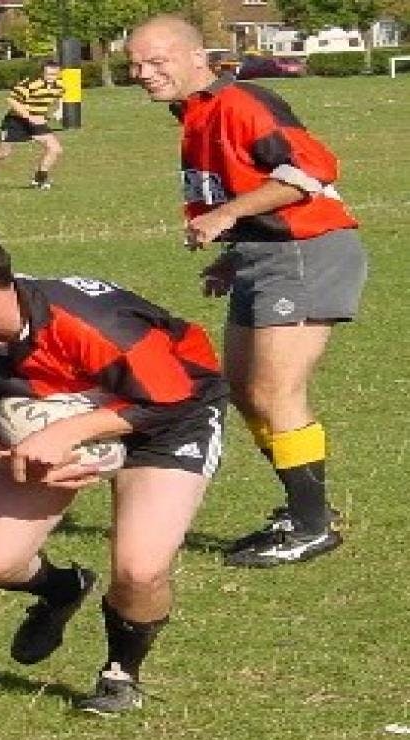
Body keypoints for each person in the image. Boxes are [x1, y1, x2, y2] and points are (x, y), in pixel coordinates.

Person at [0, 225, 227, 714]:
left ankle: (120, 675)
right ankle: (62, 589)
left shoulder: (94, 323)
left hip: (170, 419)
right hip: (62, 422)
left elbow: (171, 401)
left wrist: (69, 431)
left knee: (139, 569)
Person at [126, 16, 367, 568]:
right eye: (135, 64)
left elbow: (312, 170)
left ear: (195, 57)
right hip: (264, 257)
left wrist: (227, 214)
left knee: (276, 391)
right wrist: (234, 254)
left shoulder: (241, 102)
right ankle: (303, 509)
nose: (142, 73)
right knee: (243, 388)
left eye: (155, 61)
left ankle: (311, 527)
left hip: (308, 254)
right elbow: (248, 186)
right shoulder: (194, 115)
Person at [0, 61, 64, 191]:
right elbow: (11, 100)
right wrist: (29, 117)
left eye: (55, 74)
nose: (51, 77)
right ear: (42, 73)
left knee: (55, 148)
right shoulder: (30, 83)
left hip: (37, 121)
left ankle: (40, 178)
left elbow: (60, 96)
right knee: (3, 152)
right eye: (48, 74)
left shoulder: (59, 85)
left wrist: (59, 110)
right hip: (16, 121)